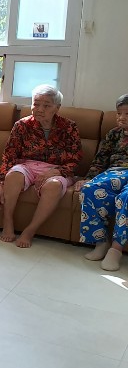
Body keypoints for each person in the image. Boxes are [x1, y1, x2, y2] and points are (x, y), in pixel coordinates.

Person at [0, 84, 82, 248]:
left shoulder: (69, 127)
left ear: (57, 108)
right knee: (13, 175)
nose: (39, 109)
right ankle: (7, 222)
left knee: (54, 186)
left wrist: (55, 171)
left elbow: (75, 159)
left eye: (46, 105)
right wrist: (0, 183)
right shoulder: (22, 125)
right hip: (27, 166)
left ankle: (30, 231)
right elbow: (9, 155)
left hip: (57, 170)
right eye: (36, 104)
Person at [75, 93, 128, 272]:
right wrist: (88, 178)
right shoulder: (113, 134)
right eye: (119, 113)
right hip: (114, 173)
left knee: (126, 197)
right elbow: (100, 160)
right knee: (90, 189)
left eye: (127, 114)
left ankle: (116, 249)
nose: (121, 117)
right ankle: (101, 242)